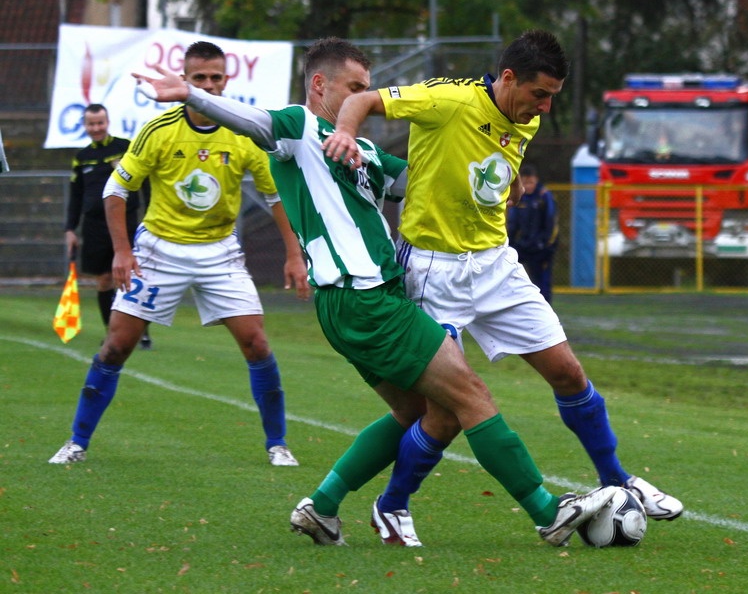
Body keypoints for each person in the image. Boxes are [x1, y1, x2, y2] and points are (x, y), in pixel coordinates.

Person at [131, 36, 614, 547]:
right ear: (320, 84)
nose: (364, 95)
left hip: (363, 300)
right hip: (363, 296)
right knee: (471, 396)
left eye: (367, 86)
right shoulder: (300, 128)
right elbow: (255, 121)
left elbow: (421, 179)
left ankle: (322, 507)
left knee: (423, 412)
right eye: (355, 87)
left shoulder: (361, 150)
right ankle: (547, 511)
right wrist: (192, 95)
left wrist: (504, 176)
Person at [323, 29, 684, 546]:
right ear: (508, 78)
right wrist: (345, 135)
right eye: (540, 93)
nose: (544, 107)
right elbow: (360, 99)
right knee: (444, 413)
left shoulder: (524, 116)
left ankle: (616, 480)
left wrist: (509, 179)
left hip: (496, 266)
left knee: (568, 372)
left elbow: (496, 158)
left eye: (553, 96)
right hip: (433, 270)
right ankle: (393, 504)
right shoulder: (447, 98)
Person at [48, 41, 307, 467]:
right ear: (184, 80)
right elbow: (117, 189)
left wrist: (294, 255)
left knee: (257, 344)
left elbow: (275, 195)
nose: (208, 84)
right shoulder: (159, 129)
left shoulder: (245, 130)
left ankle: (277, 444)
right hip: (158, 252)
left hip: (220, 253)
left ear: (227, 80)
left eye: (215, 77)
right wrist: (122, 252)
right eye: (199, 77)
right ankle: (76, 442)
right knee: (116, 347)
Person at [66, 104, 152, 349]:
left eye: (100, 123)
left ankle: (142, 333)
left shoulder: (124, 148)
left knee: (133, 278)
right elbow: (75, 194)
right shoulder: (82, 158)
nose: (96, 128)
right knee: (104, 280)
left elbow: (144, 182)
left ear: (108, 122)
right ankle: (112, 333)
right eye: (91, 124)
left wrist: (149, 213)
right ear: (85, 126)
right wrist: (70, 228)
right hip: (94, 227)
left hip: (126, 221)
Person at [507, 163, 558, 302]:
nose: (528, 186)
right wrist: (509, 243)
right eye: (525, 182)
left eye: (531, 182)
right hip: (524, 245)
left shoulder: (544, 196)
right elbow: (513, 223)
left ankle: (545, 308)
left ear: (536, 180)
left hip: (542, 247)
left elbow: (551, 223)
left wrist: (545, 244)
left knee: (542, 281)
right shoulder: (519, 196)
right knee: (509, 272)